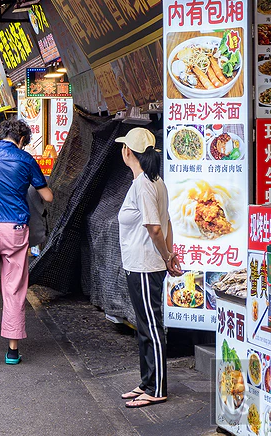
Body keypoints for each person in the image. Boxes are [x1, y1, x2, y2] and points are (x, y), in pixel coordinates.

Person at [0, 119, 53, 365]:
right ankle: (13, 350)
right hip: (15, 228)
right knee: (14, 287)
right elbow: (47, 196)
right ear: (23, 140)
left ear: (2, 134)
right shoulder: (27, 160)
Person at [115, 128, 182, 408]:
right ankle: (147, 382)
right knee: (145, 326)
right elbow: (166, 223)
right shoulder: (154, 182)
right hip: (142, 264)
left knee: (152, 327)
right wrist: (169, 255)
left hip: (144, 265)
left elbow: (155, 227)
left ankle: (156, 388)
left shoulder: (144, 183)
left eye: (123, 147)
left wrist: (167, 256)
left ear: (128, 152)